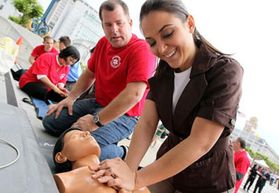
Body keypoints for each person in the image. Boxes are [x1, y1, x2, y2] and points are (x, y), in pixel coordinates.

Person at [91, 0, 244, 193]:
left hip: (208, 181)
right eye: (152, 42)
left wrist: (135, 179)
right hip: (166, 170)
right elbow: (146, 123)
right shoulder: (163, 71)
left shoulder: (225, 71)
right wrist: (127, 170)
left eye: (168, 34)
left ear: (189, 23)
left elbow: (200, 142)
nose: (161, 49)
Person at [42, 0, 156, 161]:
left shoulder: (142, 50)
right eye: (108, 25)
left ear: (130, 23)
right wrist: (70, 98)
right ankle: (84, 132)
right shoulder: (103, 43)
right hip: (97, 103)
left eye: (119, 23)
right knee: (50, 122)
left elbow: (134, 95)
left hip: (125, 115)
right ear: (102, 26)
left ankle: (123, 152)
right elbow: (89, 74)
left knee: (77, 154)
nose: (114, 30)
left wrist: (96, 121)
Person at [53, 127, 150, 193]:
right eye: (75, 136)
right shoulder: (68, 180)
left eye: (84, 132)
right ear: (61, 157)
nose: (87, 133)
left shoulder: (123, 175)